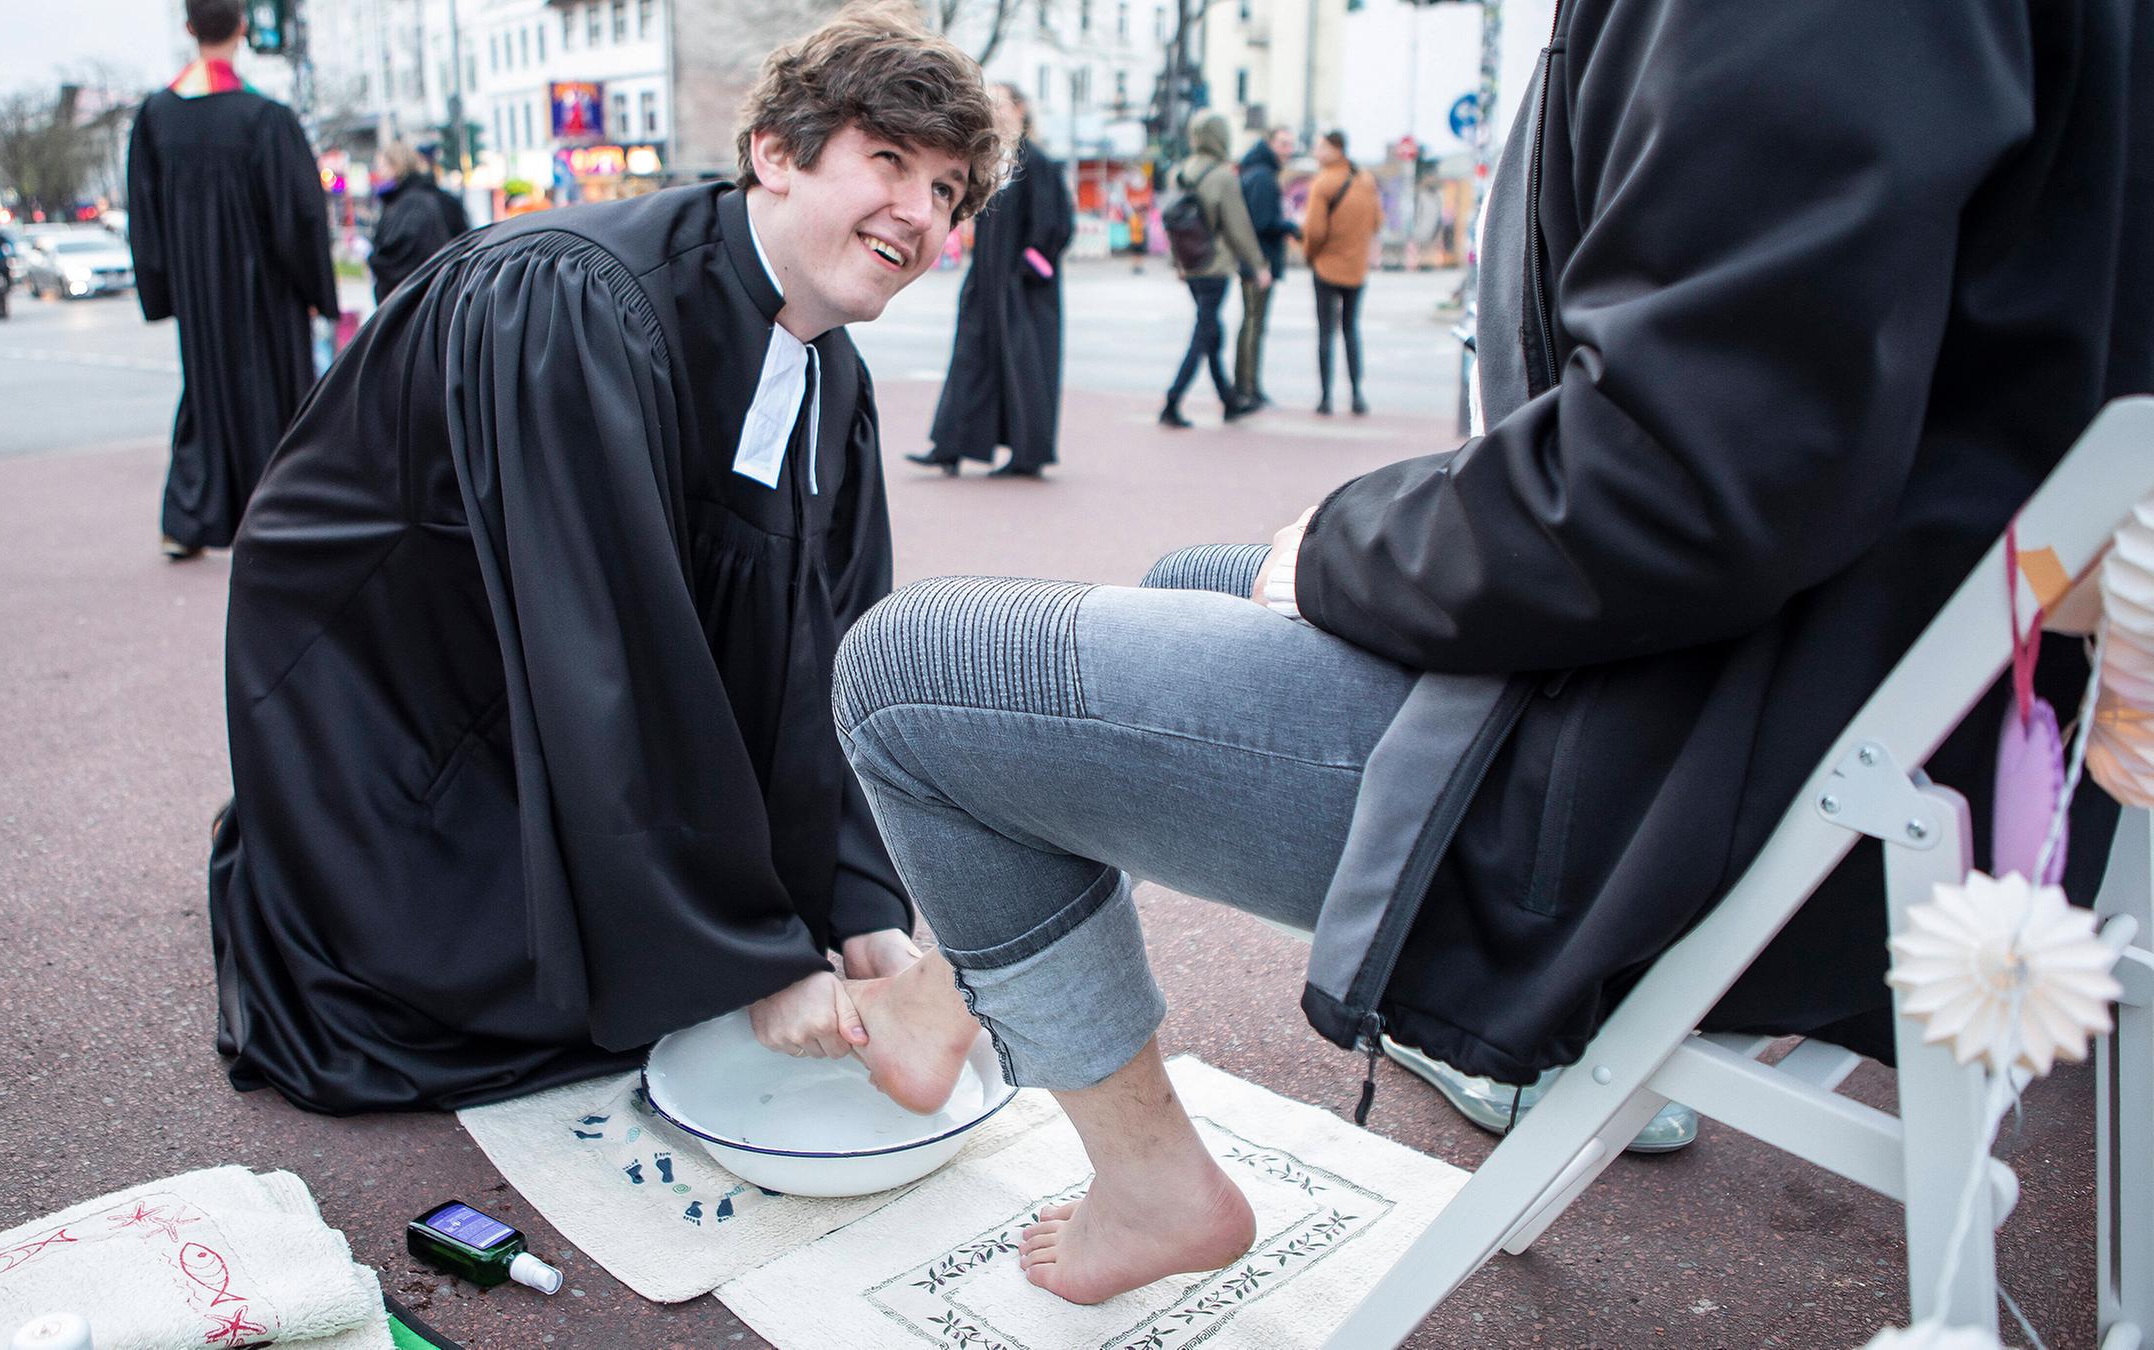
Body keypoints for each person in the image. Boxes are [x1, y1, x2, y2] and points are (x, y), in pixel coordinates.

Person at [830, 0, 2150, 1305]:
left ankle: (1149, 1177)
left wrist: (1345, 544)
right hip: (1882, 711)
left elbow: (1679, 480)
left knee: (912, 674)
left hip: (1705, 782)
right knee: (1193, 578)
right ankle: (970, 984)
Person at [204, 5, 1004, 1114]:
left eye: (950, 194)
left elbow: (824, 640)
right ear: (776, 151)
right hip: (401, 686)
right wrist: (756, 959)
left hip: (545, 650)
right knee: (530, 997)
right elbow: (607, 641)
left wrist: (858, 902)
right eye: (890, 161)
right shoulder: (577, 298)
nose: (920, 215)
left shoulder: (831, 376)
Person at [126, 0, 337, 562]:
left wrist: (164, 290)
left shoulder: (155, 118)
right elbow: (299, 216)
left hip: (199, 293)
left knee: (206, 395)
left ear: (189, 28)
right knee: (277, 395)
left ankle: (188, 518)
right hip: (266, 292)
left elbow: (142, 216)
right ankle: (281, 518)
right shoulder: (264, 118)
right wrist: (316, 290)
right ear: (243, 27)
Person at [909, 84, 1073, 479]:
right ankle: (949, 446)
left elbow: (1055, 226)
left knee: (1024, 368)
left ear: (1020, 109)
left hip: (1022, 290)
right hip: (985, 280)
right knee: (971, 358)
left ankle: (1028, 454)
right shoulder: (990, 163)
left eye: (999, 103)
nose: (993, 110)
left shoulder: (1038, 164)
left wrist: (1028, 271)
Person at [1159, 112, 1266, 429]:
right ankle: (1172, 400)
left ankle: (1229, 401)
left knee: (1211, 332)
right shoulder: (1222, 175)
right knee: (1203, 333)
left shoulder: (1180, 172)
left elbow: (1173, 223)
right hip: (1214, 265)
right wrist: (1258, 264)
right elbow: (1238, 227)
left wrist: (1177, 263)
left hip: (1190, 263)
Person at [1301, 131, 1381, 416]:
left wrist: (1310, 254)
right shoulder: (1365, 180)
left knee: (1325, 332)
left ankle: (1325, 399)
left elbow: (1314, 230)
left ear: (1336, 149)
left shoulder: (1323, 182)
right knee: (1350, 329)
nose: (1316, 152)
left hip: (1326, 267)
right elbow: (1376, 221)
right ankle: (1357, 396)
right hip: (1356, 269)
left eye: (1321, 147)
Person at [1232, 125, 1300, 410]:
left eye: (1290, 144)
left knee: (1252, 323)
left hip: (1254, 259)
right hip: (1259, 261)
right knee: (1253, 324)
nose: (1288, 150)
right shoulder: (1263, 177)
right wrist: (1291, 226)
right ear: (1270, 144)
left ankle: (1247, 386)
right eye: (1283, 144)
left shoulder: (1256, 171)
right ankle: (1247, 387)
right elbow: (1262, 222)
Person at [367, 140, 469, 304]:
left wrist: (375, 260)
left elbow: (404, 255)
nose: (379, 172)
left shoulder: (411, 203)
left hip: (420, 301)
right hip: (438, 295)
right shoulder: (418, 197)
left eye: (382, 166)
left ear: (396, 165)